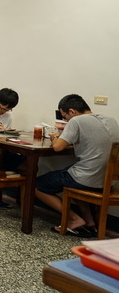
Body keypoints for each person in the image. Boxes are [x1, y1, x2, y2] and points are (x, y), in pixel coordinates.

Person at [37, 94, 119, 237]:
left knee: (36, 185)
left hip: (87, 178)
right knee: (72, 175)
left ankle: (74, 219)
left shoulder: (77, 121)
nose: (65, 120)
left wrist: (55, 136)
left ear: (72, 112)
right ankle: (89, 221)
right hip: (108, 179)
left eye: (65, 116)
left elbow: (57, 147)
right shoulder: (111, 119)